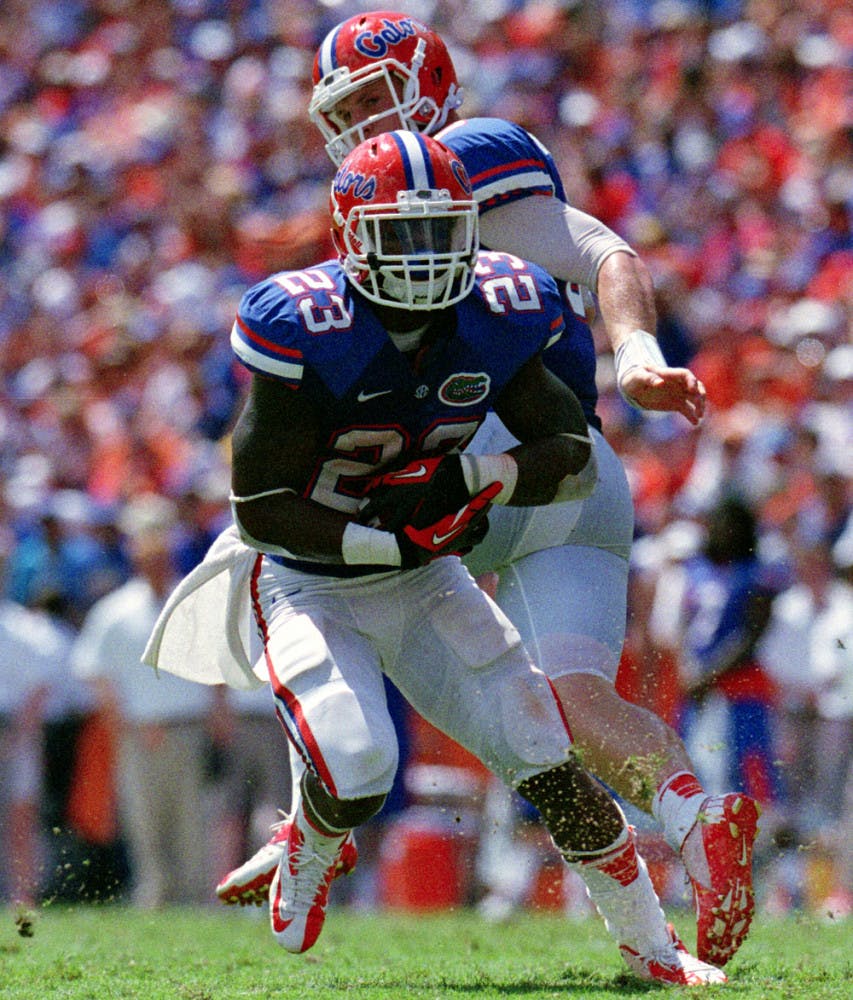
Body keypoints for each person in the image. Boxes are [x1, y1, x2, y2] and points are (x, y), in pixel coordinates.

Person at [217, 10, 758, 971]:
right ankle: (691, 815)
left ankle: (322, 815)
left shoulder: (460, 160)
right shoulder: (384, 210)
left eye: (379, 98)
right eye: (346, 112)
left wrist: (634, 354)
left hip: (519, 462)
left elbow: (605, 255)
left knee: (337, 558)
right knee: (557, 699)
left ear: (432, 80)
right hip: (541, 477)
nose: (367, 128)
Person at [71, 494, 216, 908]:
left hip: (189, 726)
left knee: (193, 821)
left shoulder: (191, 600)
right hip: (138, 732)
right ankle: (153, 899)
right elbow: (95, 673)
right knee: (144, 822)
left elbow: (214, 665)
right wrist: (124, 725)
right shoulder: (114, 612)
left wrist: (216, 716)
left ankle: (195, 902)